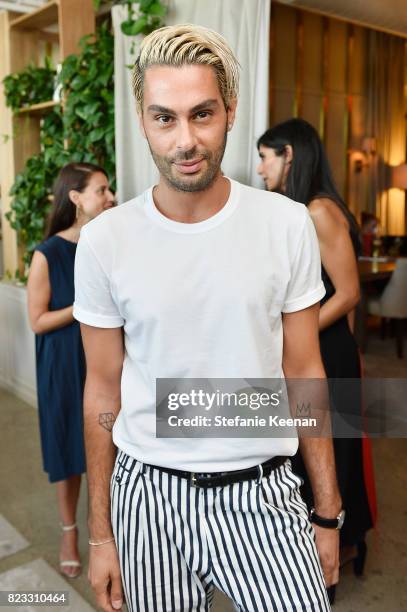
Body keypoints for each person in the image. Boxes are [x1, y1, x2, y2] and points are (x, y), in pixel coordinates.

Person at [74, 25, 343, 612]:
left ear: (230, 111)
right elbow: (101, 386)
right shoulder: (104, 242)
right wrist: (101, 534)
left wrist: (327, 512)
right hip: (147, 498)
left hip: (264, 494)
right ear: (143, 122)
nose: (185, 140)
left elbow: (304, 371)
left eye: (203, 114)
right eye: (164, 118)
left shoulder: (285, 224)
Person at [257, 118, 375, 601]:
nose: (261, 169)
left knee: (332, 453)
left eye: (266, 157)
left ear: (290, 155)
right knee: (313, 452)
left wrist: (293, 334)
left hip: (328, 348)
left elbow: (347, 294)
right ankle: (330, 550)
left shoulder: (320, 211)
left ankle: (336, 553)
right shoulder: (296, 212)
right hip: (314, 345)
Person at [27, 162, 115, 578]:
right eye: (102, 190)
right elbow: (37, 321)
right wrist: (82, 307)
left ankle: (109, 532)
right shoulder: (47, 255)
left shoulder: (109, 245)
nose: (111, 196)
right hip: (63, 363)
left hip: (105, 359)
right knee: (68, 449)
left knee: (109, 445)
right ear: (76, 199)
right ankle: (68, 531)